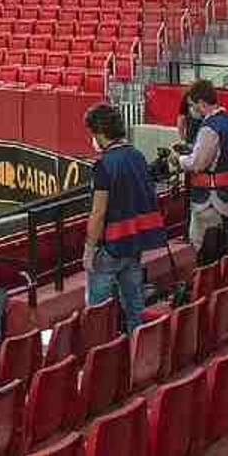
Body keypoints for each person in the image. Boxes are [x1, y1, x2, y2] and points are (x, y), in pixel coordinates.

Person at [83, 104, 167, 334]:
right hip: (134, 243)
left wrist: (89, 249)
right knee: (135, 307)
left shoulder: (103, 165)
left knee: (96, 314)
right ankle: (136, 350)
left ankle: (100, 357)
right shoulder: (136, 155)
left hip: (111, 247)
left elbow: (98, 212)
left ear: (99, 132)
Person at [176, 81, 228, 263]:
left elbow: (197, 164)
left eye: (192, 105)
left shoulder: (209, 128)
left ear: (201, 103)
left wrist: (178, 159)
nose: (192, 110)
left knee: (208, 247)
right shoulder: (226, 119)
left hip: (214, 200)